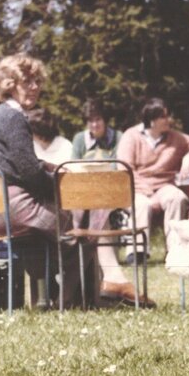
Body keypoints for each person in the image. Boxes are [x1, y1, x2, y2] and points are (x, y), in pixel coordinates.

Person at [0, 53, 99, 308]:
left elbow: (20, 164)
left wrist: (48, 169)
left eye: (37, 82)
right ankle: (69, 300)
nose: (35, 87)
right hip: (10, 210)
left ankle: (52, 297)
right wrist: (60, 185)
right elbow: (29, 172)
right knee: (86, 233)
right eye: (27, 81)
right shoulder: (13, 117)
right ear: (10, 84)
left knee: (51, 235)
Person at [69, 98, 156, 307]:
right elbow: (73, 167)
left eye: (98, 120)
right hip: (89, 195)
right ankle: (112, 278)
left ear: (105, 121)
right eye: (90, 121)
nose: (94, 125)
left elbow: (121, 167)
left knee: (142, 203)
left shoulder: (117, 138)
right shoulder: (80, 140)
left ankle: (135, 253)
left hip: (115, 191)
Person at [117, 97, 189, 263]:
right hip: (137, 188)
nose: (169, 120)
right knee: (142, 205)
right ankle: (137, 253)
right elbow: (124, 169)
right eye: (164, 117)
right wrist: (146, 192)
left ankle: (174, 251)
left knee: (177, 197)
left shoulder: (175, 138)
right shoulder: (131, 136)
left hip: (163, 187)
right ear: (152, 121)